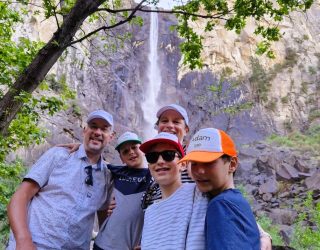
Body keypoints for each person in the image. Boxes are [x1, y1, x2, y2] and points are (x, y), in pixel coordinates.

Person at [6, 110, 114, 250]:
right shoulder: (59, 155)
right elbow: (21, 196)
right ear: (84, 130)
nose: (98, 132)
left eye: (104, 129)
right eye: (93, 126)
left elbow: (104, 221)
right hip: (35, 245)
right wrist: (23, 240)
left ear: (111, 137)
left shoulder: (107, 176)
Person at [179, 128, 261, 249]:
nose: (199, 171)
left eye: (209, 163)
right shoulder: (234, 200)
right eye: (194, 163)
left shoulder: (221, 205)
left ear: (232, 164)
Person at [139, 132, 208, 249]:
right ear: (149, 167)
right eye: (152, 157)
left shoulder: (198, 195)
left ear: (183, 164)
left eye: (168, 155)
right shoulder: (149, 212)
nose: (160, 161)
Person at [93, 132, 152, 250]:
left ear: (143, 149)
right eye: (125, 151)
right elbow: (91, 159)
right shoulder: (116, 171)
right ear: (121, 158)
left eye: (134, 147)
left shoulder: (154, 175)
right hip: (101, 243)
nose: (130, 152)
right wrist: (78, 146)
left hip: (128, 246)